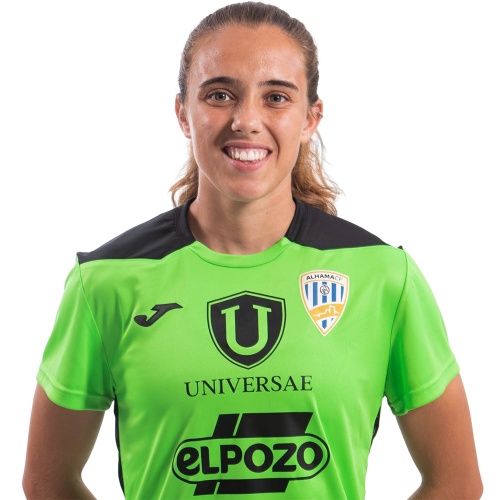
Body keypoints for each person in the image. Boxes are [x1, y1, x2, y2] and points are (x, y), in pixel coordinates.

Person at [22, 2, 483, 499]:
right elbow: (48, 482)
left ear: (310, 118)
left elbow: (456, 483)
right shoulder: (105, 280)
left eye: (276, 97)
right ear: (183, 112)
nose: (246, 120)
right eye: (220, 95)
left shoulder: (384, 275)